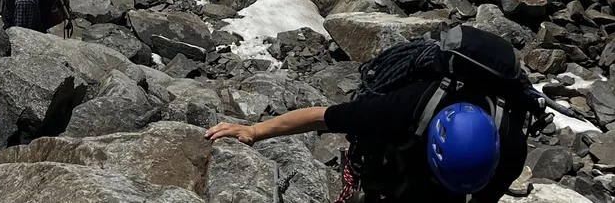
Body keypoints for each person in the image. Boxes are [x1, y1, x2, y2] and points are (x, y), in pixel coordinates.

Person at [207, 26, 547, 203]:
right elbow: (323, 116)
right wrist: (254, 131)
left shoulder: (511, 144)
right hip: (400, 167)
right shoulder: (408, 106)